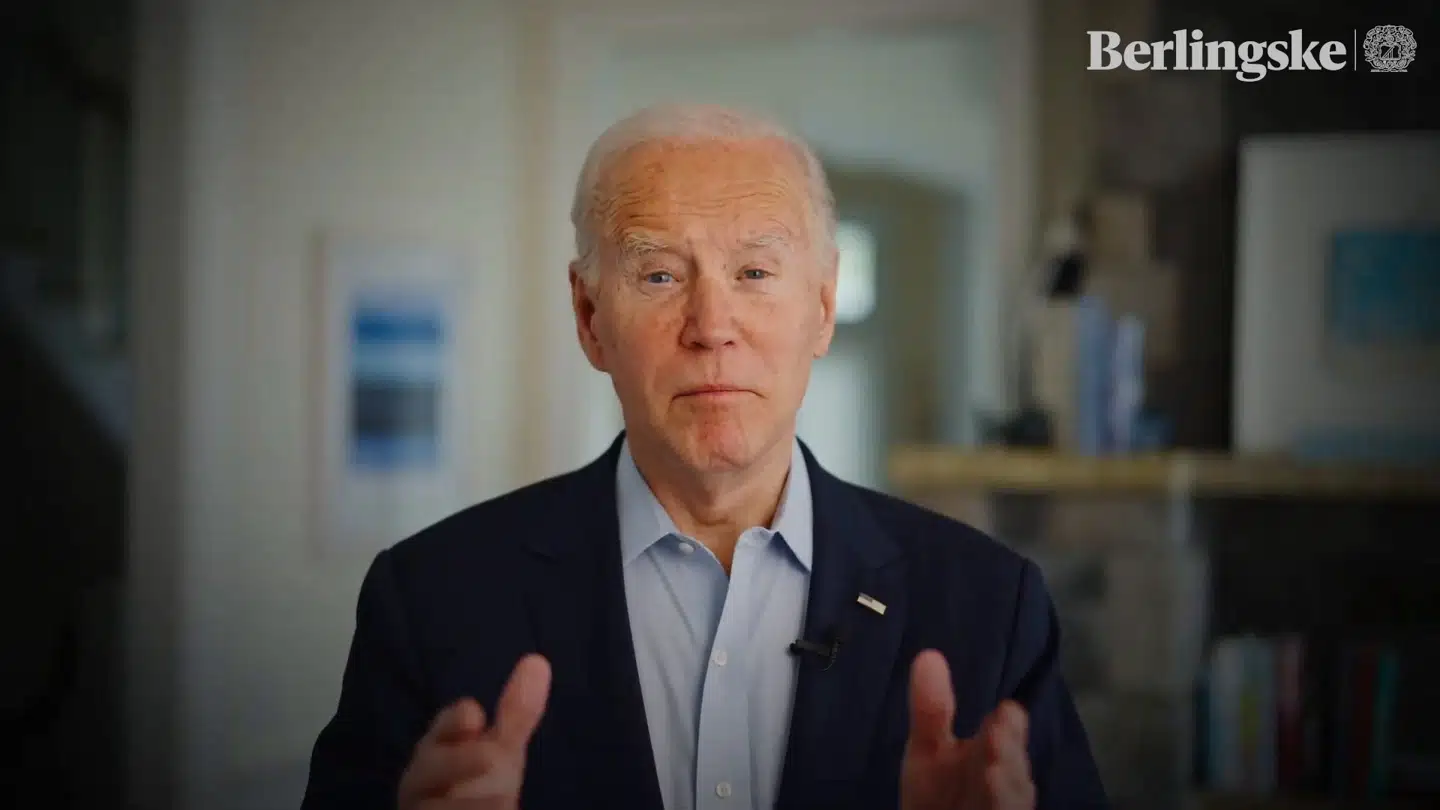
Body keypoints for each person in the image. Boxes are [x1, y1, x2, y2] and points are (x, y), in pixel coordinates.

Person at [300, 103, 1109, 810]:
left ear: (823, 307)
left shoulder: (989, 608)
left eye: (754, 271)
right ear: (589, 317)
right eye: (659, 275)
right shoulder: (431, 600)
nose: (712, 326)